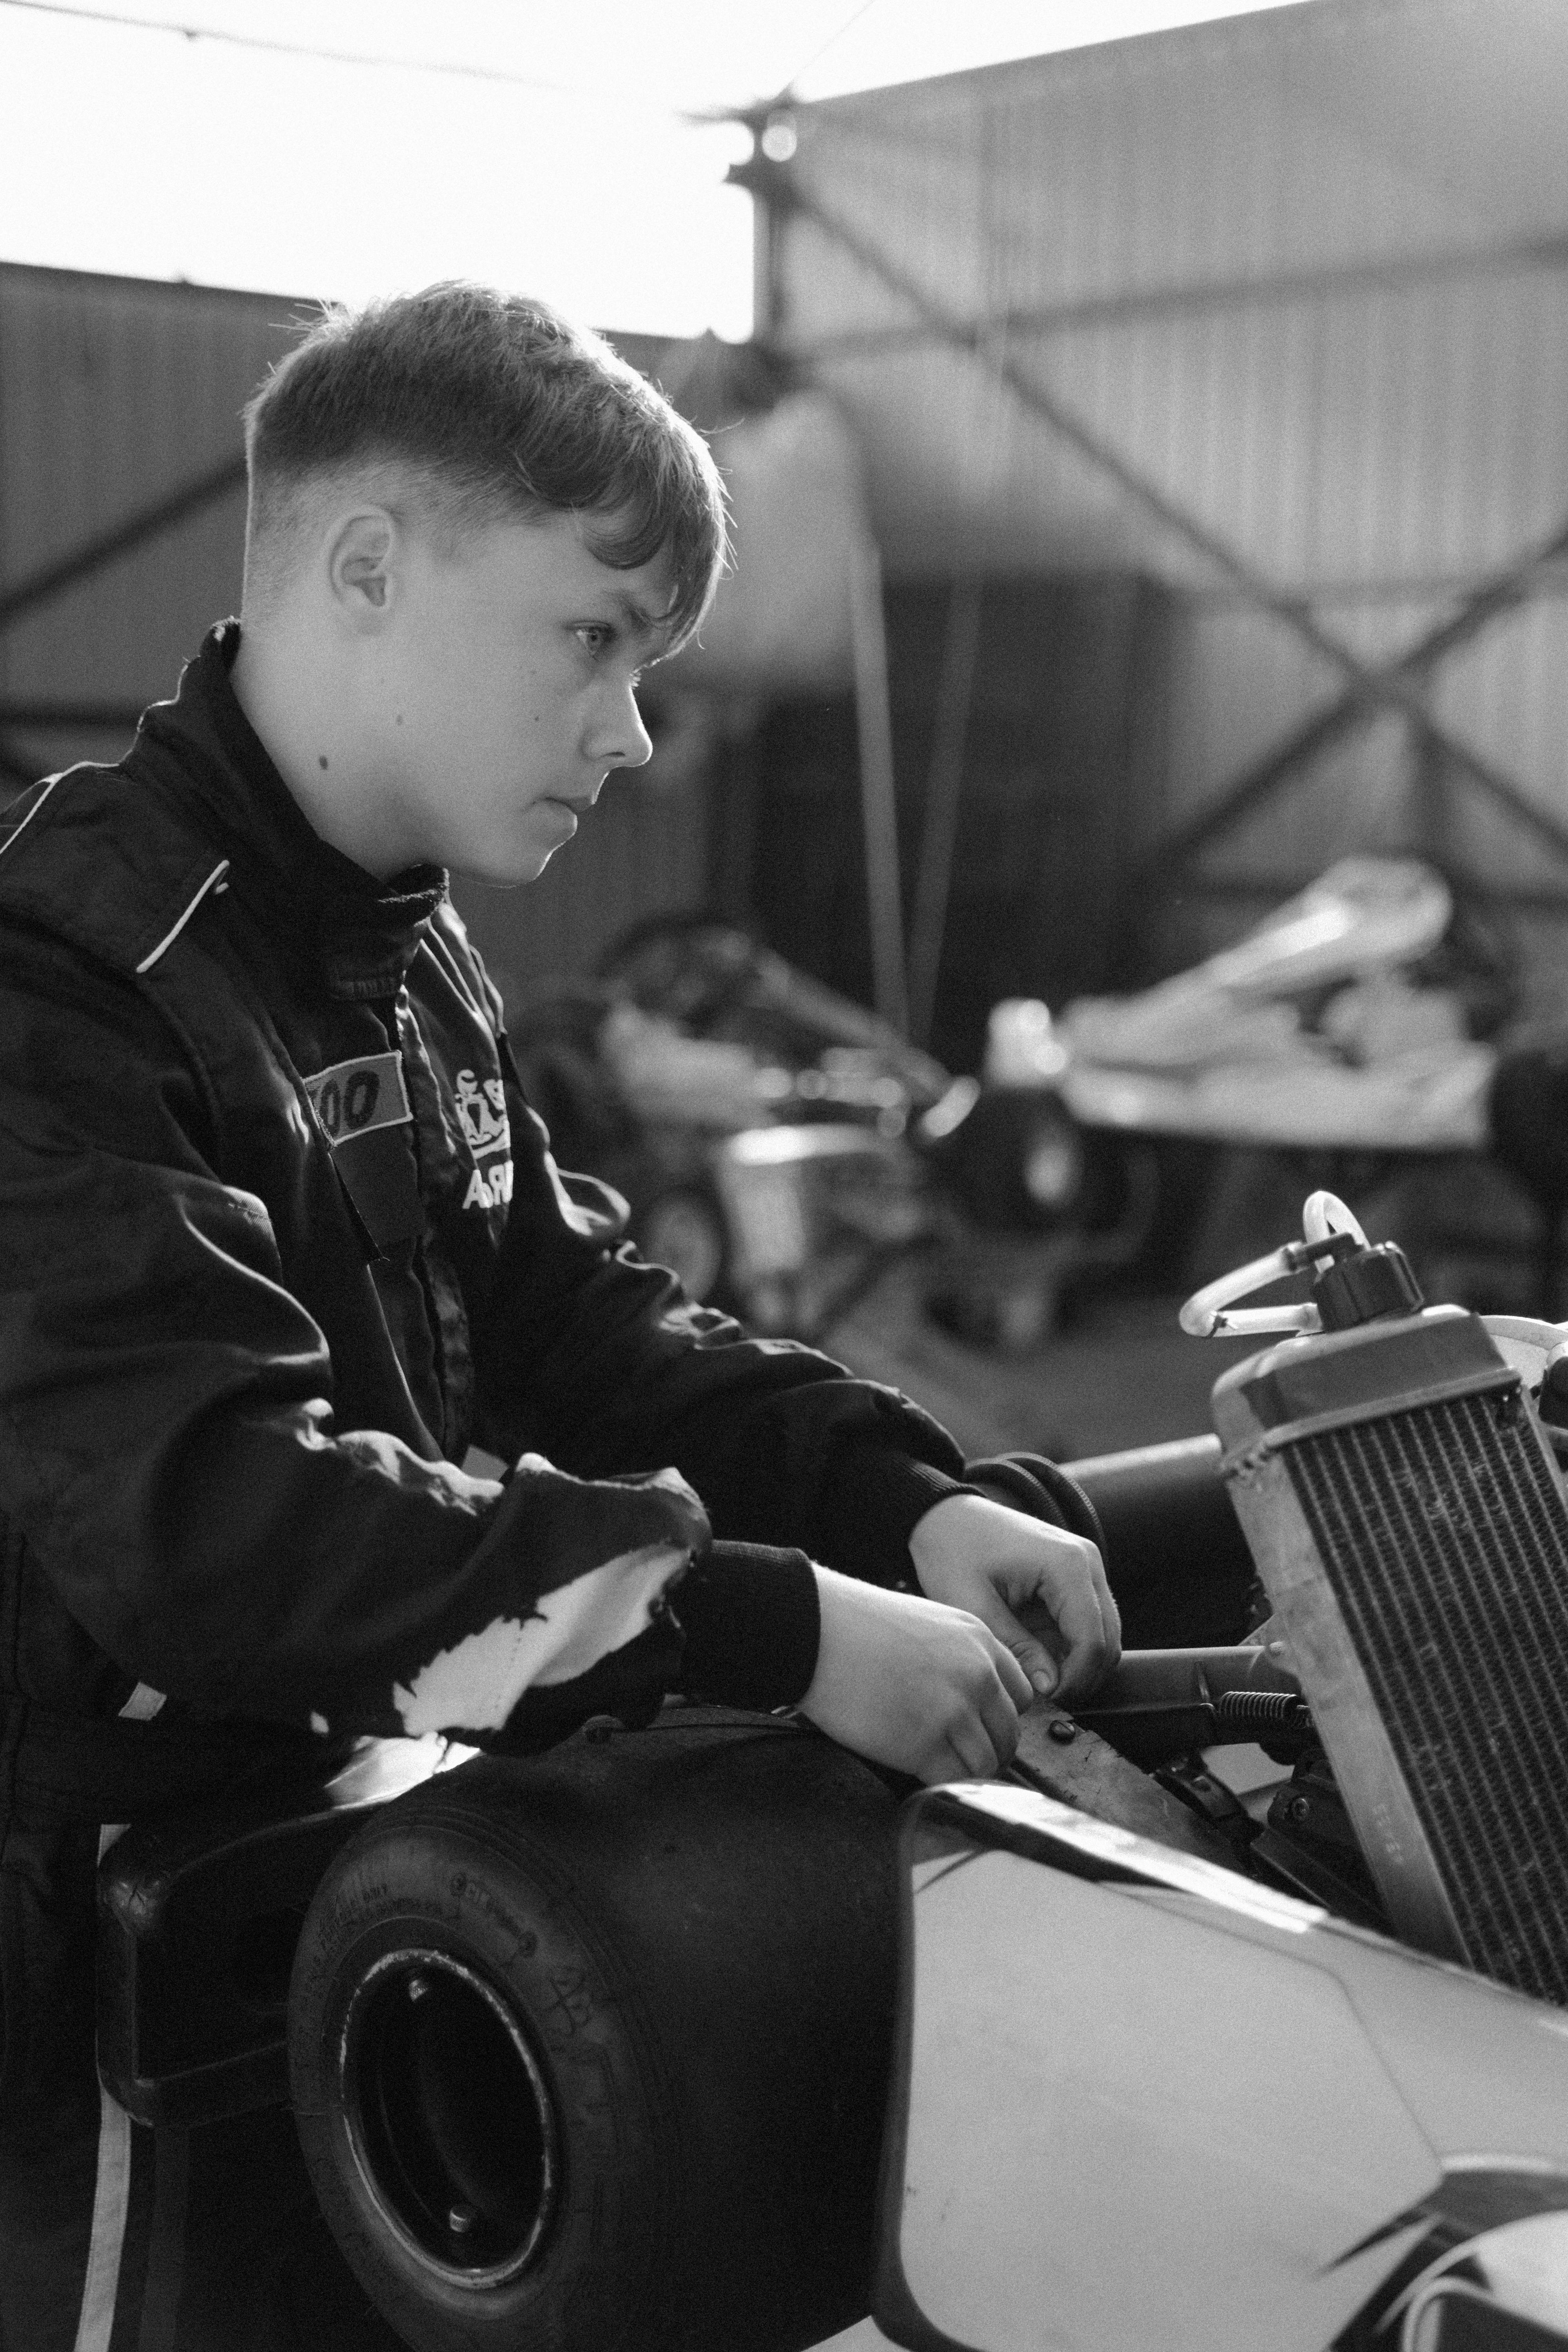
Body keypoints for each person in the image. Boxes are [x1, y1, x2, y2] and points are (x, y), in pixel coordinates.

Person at [0, 283, 1118, 2351]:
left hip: (341, 1867)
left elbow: (579, 1317)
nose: (634, 734)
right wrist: (754, 1625)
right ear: (365, 570)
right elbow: (212, 1527)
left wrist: (899, 1494)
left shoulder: (414, 970)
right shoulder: (69, 985)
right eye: (592, 642)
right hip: (67, 2002)